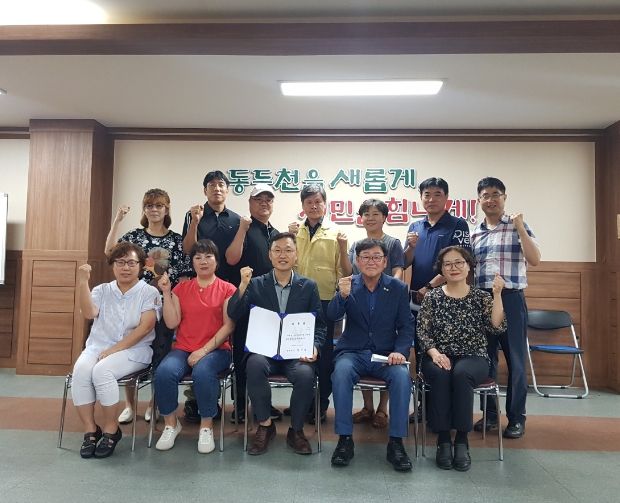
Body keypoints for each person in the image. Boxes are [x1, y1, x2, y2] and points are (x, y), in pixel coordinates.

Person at [227, 232, 326, 455]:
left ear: (296, 255)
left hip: (295, 353)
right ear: (269, 255)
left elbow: (319, 325)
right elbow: (233, 312)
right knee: (254, 364)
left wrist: (315, 347)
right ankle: (265, 425)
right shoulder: (255, 284)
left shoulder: (308, 286)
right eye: (277, 250)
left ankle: (296, 430)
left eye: (288, 250)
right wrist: (242, 285)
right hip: (264, 352)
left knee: (305, 374)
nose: (283, 255)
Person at [104, 188, 190, 425]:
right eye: (149, 206)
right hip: (136, 305)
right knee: (130, 351)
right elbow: (110, 252)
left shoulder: (176, 240)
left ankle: (154, 403)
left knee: (160, 354)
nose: (154, 210)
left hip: (165, 306)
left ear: (166, 209)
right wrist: (117, 220)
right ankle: (130, 405)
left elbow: (184, 277)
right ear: (144, 209)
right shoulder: (134, 237)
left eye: (159, 205)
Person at [328, 239, 414, 472]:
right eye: (365, 257)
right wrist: (341, 296)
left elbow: (406, 326)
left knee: (402, 377)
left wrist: (399, 351)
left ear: (385, 262)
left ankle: (396, 442)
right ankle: (345, 439)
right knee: (341, 372)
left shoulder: (397, 288)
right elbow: (332, 316)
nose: (371, 261)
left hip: (386, 354)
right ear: (357, 261)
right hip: (353, 352)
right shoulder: (348, 284)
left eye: (377, 257)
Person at [417, 246, 506, 471]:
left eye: (459, 262)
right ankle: (443, 439)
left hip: (474, 356)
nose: (453, 267)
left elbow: (496, 327)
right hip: (437, 355)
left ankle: (462, 440)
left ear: (469, 266)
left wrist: (497, 295)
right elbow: (423, 332)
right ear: (441, 270)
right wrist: (435, 353)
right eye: (447, 264)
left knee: (461, 373)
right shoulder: (433, 297)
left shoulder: (481, 297)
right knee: (440, 373)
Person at [72, 242, 159, 458]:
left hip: (135, 350)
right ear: (113, 265)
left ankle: (111, 429)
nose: (125, 267)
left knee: (102, 371)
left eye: (131, 263)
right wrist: (83, 282)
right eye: (120, 262)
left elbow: (146, 327)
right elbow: (89, 313)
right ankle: (91, 430)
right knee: (81, 371)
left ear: (140, 265)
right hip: (98, 346)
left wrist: (114, 350)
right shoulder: (102, 290)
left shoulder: (149, 292)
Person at [471, 177, 541, 439]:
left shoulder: (516, 226)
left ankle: (516, 418)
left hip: (511, 299)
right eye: (485, 195)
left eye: (495, 194)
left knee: (516, 360)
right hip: (482, 300)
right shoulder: (475, 232)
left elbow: (535, 259)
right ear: (479, 200)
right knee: (485, 359)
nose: (490, 199)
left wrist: (520, 227)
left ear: (504, 197)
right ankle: (490, 415)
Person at [153, 239, 236, 453]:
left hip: (217, 350)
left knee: (203, 372)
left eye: (208, 256)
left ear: (217, 261)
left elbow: (229, 326)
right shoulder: (181, 288)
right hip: (183, 348)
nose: (203, 261)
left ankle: (206, 426)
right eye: (198, 257)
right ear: (192, 262)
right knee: (164, 372)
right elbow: (172, 323)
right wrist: (166, 293)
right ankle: (171, 424)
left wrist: (203, 351)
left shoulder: (228, 289)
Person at [182, 170, 241, 421]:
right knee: (199, 340)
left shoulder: (236, 219)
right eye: (211, 185)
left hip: (228, 289)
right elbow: (188, 249)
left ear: (227, 190)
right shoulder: (193, 214)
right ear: (204, 190)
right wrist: (195, 222)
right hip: (201, 288)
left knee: (229, 342)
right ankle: (197, 401)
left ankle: (235, 402)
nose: (217, 189)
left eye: (221, 185)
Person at [289, 184, 349, 423]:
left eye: (317, 202)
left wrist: (338, 296)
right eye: (309, 202)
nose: (313, 206)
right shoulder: (295, 232)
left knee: (323, 355)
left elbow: (344, 271)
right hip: (297, 300)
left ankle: (321, 404)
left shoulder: (336, 233)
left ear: (325, 204)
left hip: (325, 300)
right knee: (296, 352)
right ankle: (301, 402)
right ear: (303, 206)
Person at [346, 199, 405, 429]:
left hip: (387, 302)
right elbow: (351, 272)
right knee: (363, 349)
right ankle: (368, 407)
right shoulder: (356, 244)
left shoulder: (393, 243)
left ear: (384, 217)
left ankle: (382, 410)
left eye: (375, 214)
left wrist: (391, 291)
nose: (370, 218)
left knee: (387, 354)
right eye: (366, 214)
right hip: (362, 301)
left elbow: (398, 270)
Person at [225, 184, 279, 423]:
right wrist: (242, 229)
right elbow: (231, 258)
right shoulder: (242, 228)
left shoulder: (276, 234)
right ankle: (239, 406)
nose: (264, 203)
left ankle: (262, 404)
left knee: (265, 355)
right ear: (250, 203)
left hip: (272, 304)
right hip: (247, 300)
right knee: (241, 354)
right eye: (259, 199)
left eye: (268, 199)